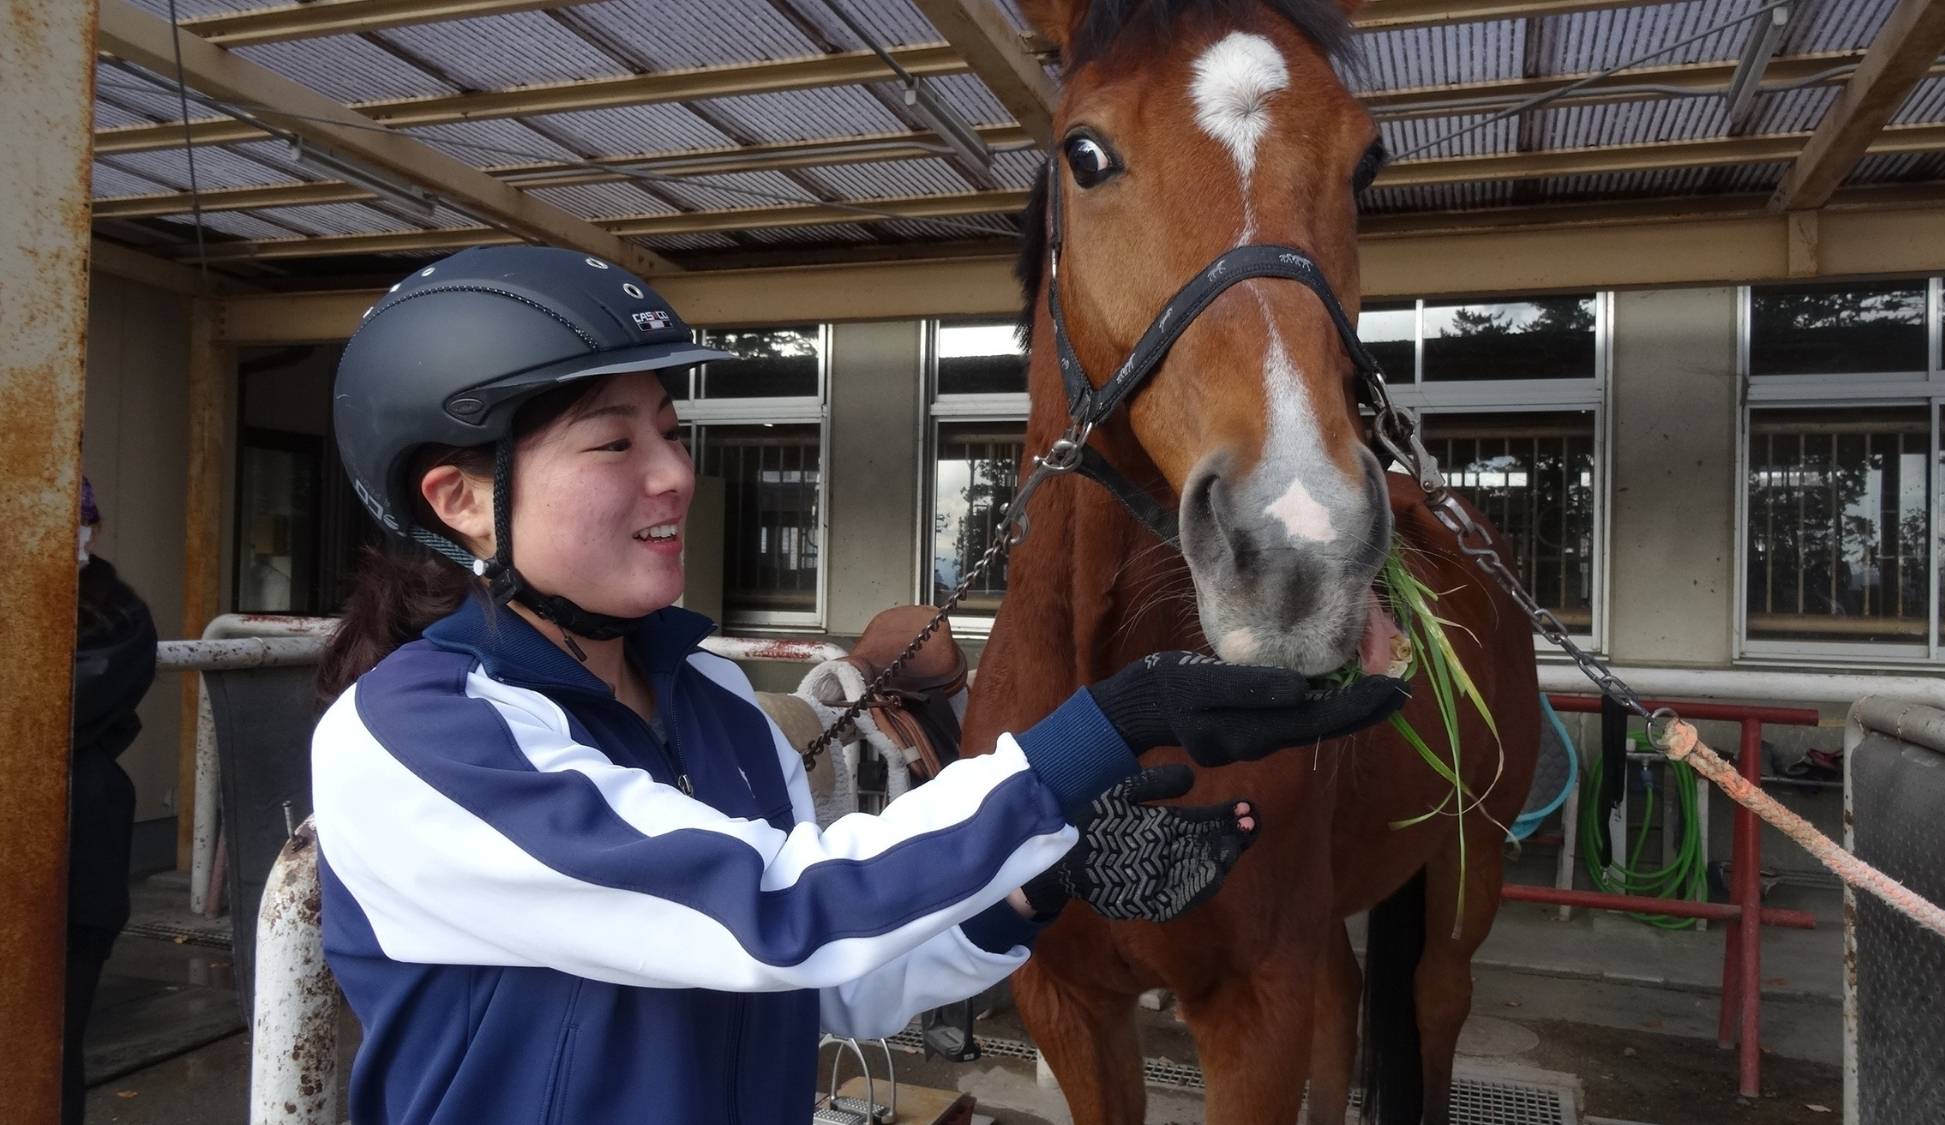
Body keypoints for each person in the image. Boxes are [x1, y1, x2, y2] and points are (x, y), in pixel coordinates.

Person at [312, 246, 1407, 1125]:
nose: (677, 473)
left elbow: (829, 986)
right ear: (459, 500)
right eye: (613, 442)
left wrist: (1043, 875)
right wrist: (1099, 735)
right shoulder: (412, 738)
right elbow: (778, 914)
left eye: (672, 432)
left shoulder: (708, 693)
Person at [66, 479, 158, 1125]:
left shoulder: (115, 612)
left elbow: (63, 708)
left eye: (81, 517)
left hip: (78, 856)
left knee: (51, 1042)